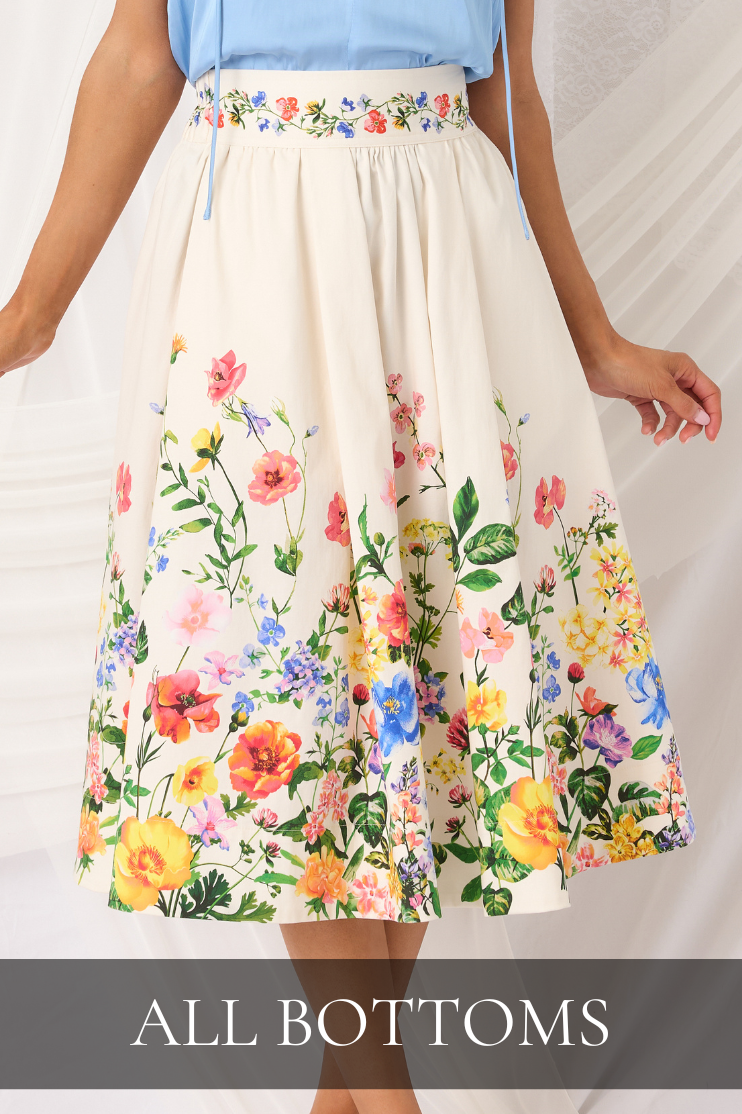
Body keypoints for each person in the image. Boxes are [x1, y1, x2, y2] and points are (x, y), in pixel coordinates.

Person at [0, 2, 720, 1111]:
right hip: (259, 246)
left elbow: (504, 95)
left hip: (449, 253)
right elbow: (141, 55)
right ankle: (386, 1095)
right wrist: (30, 314)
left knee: (421, 660)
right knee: (300, 669)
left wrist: (595, 340)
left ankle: (356, 1093)